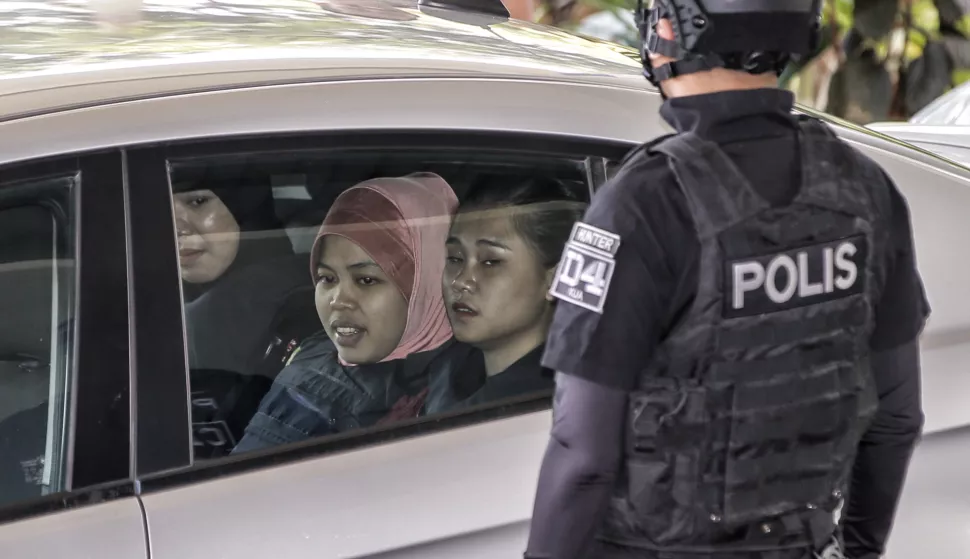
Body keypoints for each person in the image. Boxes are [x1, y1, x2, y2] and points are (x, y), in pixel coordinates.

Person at [524, 2, 929, 559]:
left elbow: (583, 454)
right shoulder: (866, 190)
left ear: (669, 28)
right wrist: (858, 550)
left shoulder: (644, 202)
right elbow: (896, 417)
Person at [232, 172, 474, 454]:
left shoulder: (468, 388)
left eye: (366, 280)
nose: (339, 300)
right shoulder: (311, 365)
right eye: (327, 278)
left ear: (428, 280)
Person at [173, 171, 320, 459]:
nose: (175, 226)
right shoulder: (145, 308)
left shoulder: (305, 309)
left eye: (198, 201)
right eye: (160, 207)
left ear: (246, 205)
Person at [441, 177, 586, 408]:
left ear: (556, 279)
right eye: (455, 258)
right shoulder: (446, 372)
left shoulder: (549, 407)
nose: (460, 281)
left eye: (490, 262)